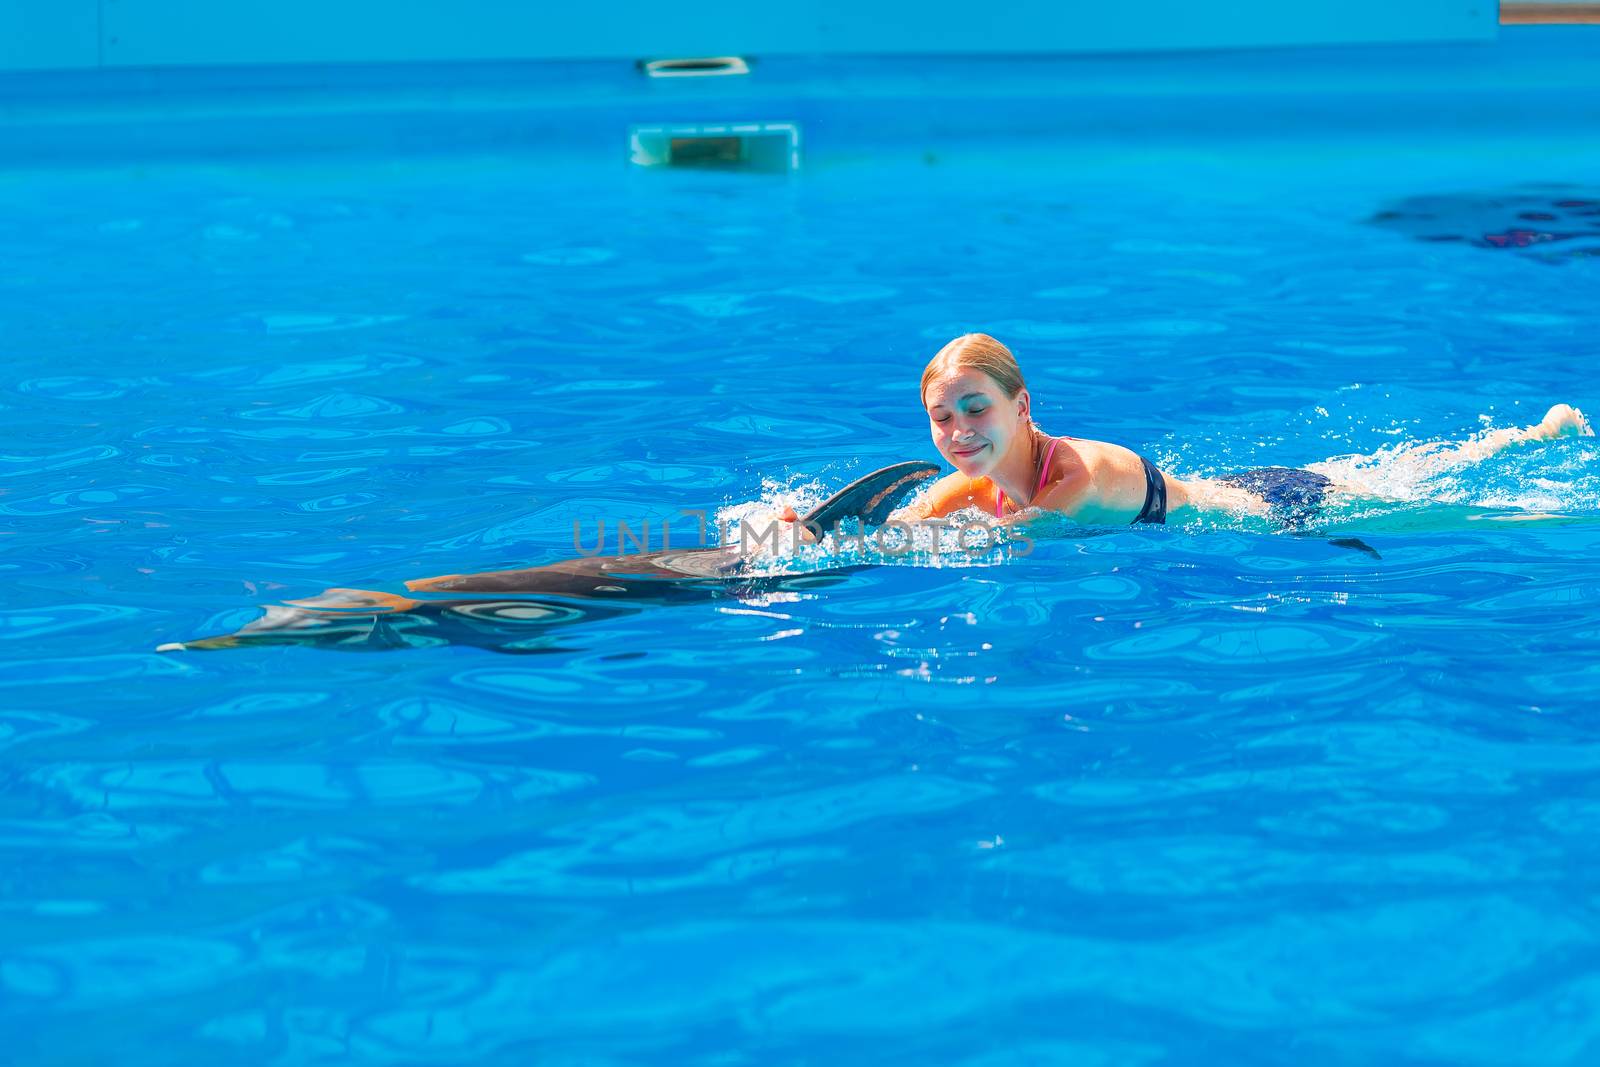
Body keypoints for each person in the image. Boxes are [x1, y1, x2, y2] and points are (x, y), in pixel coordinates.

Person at [900, 333, 1592, 529]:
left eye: (976, 408)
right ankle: (1531, 437)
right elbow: (896, 523)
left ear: (1023, 406)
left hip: (1280, 509)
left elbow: (1008, 543)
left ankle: (1532, 441)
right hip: (1224, 491)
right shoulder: (979, 481)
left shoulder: (1075, 476)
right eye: (943, 416)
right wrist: (807, 526)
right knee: (1400, 476)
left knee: (1441, 506)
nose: (960, 430)